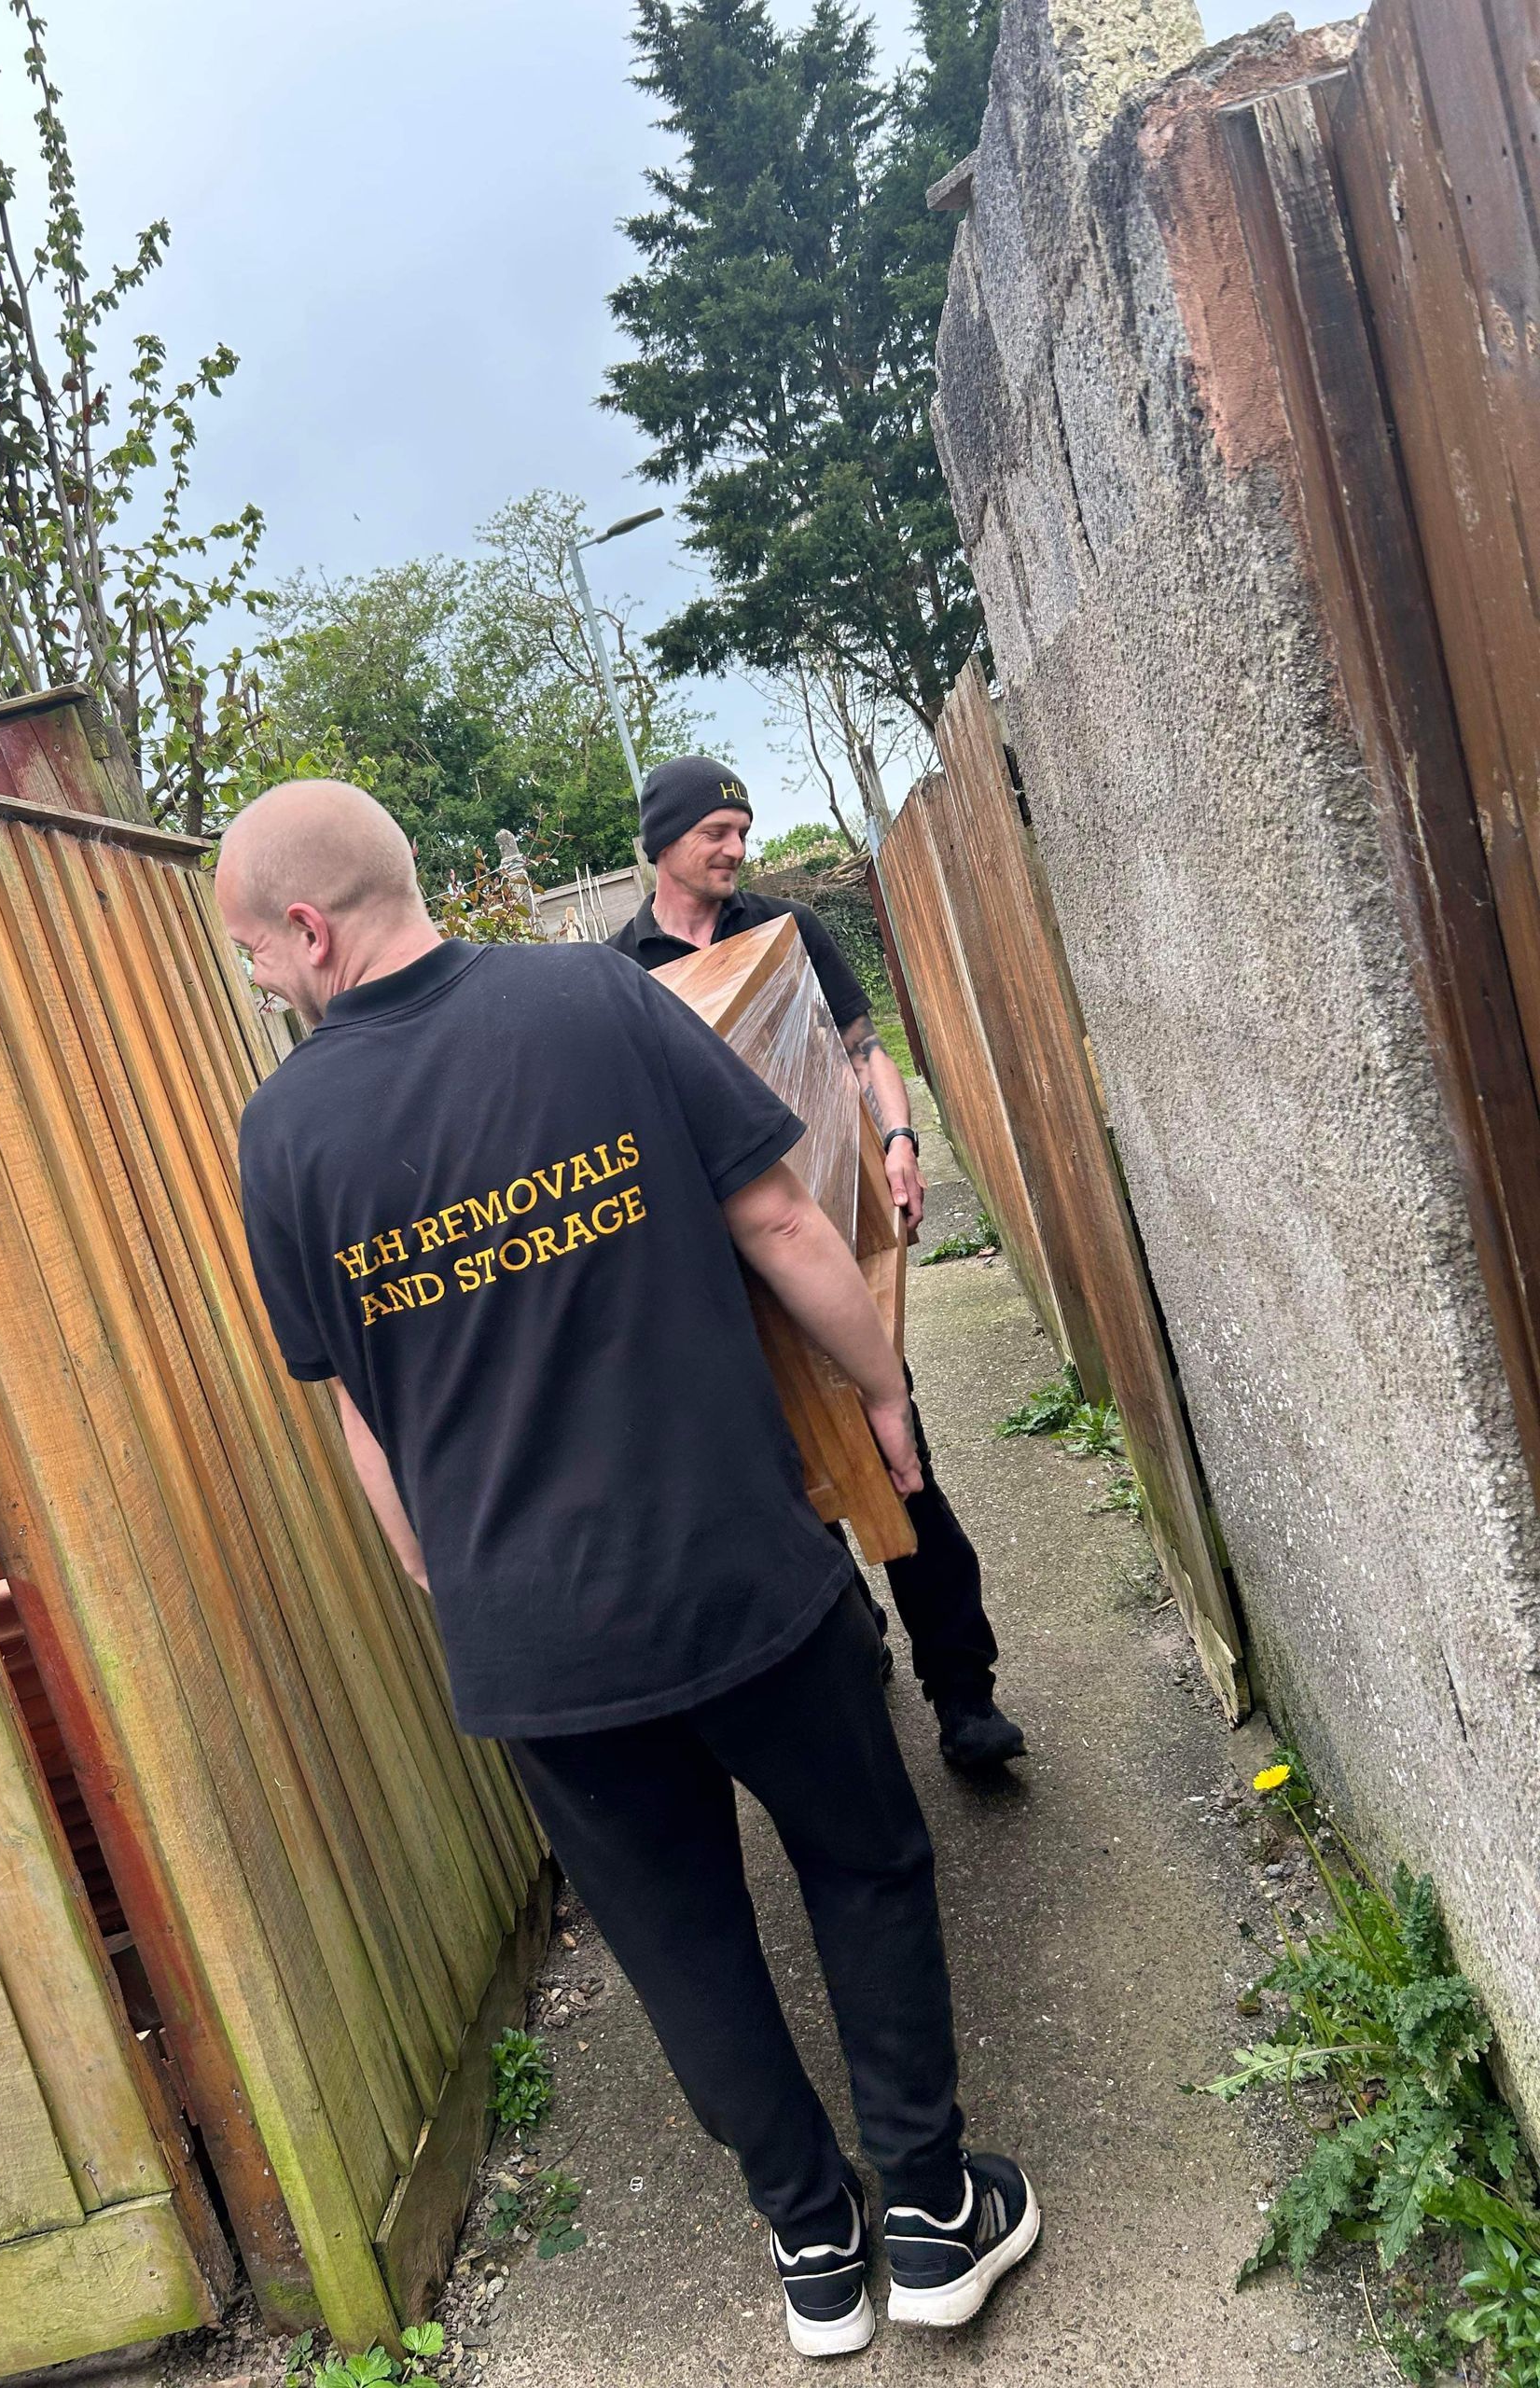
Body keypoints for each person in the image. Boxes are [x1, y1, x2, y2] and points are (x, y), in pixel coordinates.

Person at [220, 781, 1040, 2360]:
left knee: (680, 1940)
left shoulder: (284, 1136)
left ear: (310, 930)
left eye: (258, 953)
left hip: (533, 1641)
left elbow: (369, 1430)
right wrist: (879, 1396)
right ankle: (936, 2216)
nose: (267, 981)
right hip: (734, 1566)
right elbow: (788, 1228)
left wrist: (452, 1592)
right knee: (861, 1860)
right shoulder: (596, 998)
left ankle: (815, 2249)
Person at [607, 755, 1026, 1770]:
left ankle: (965, 1698)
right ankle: (856, 1642)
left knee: (902, 1461)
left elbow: (859, 1047)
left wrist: (898, 1137)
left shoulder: (785, 931)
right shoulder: (620, 971)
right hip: (719, 1279)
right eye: (717, 831)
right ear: (663, 839)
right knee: (792, 1489)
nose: (736, 849)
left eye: (743, 831)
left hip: (830, 1240)